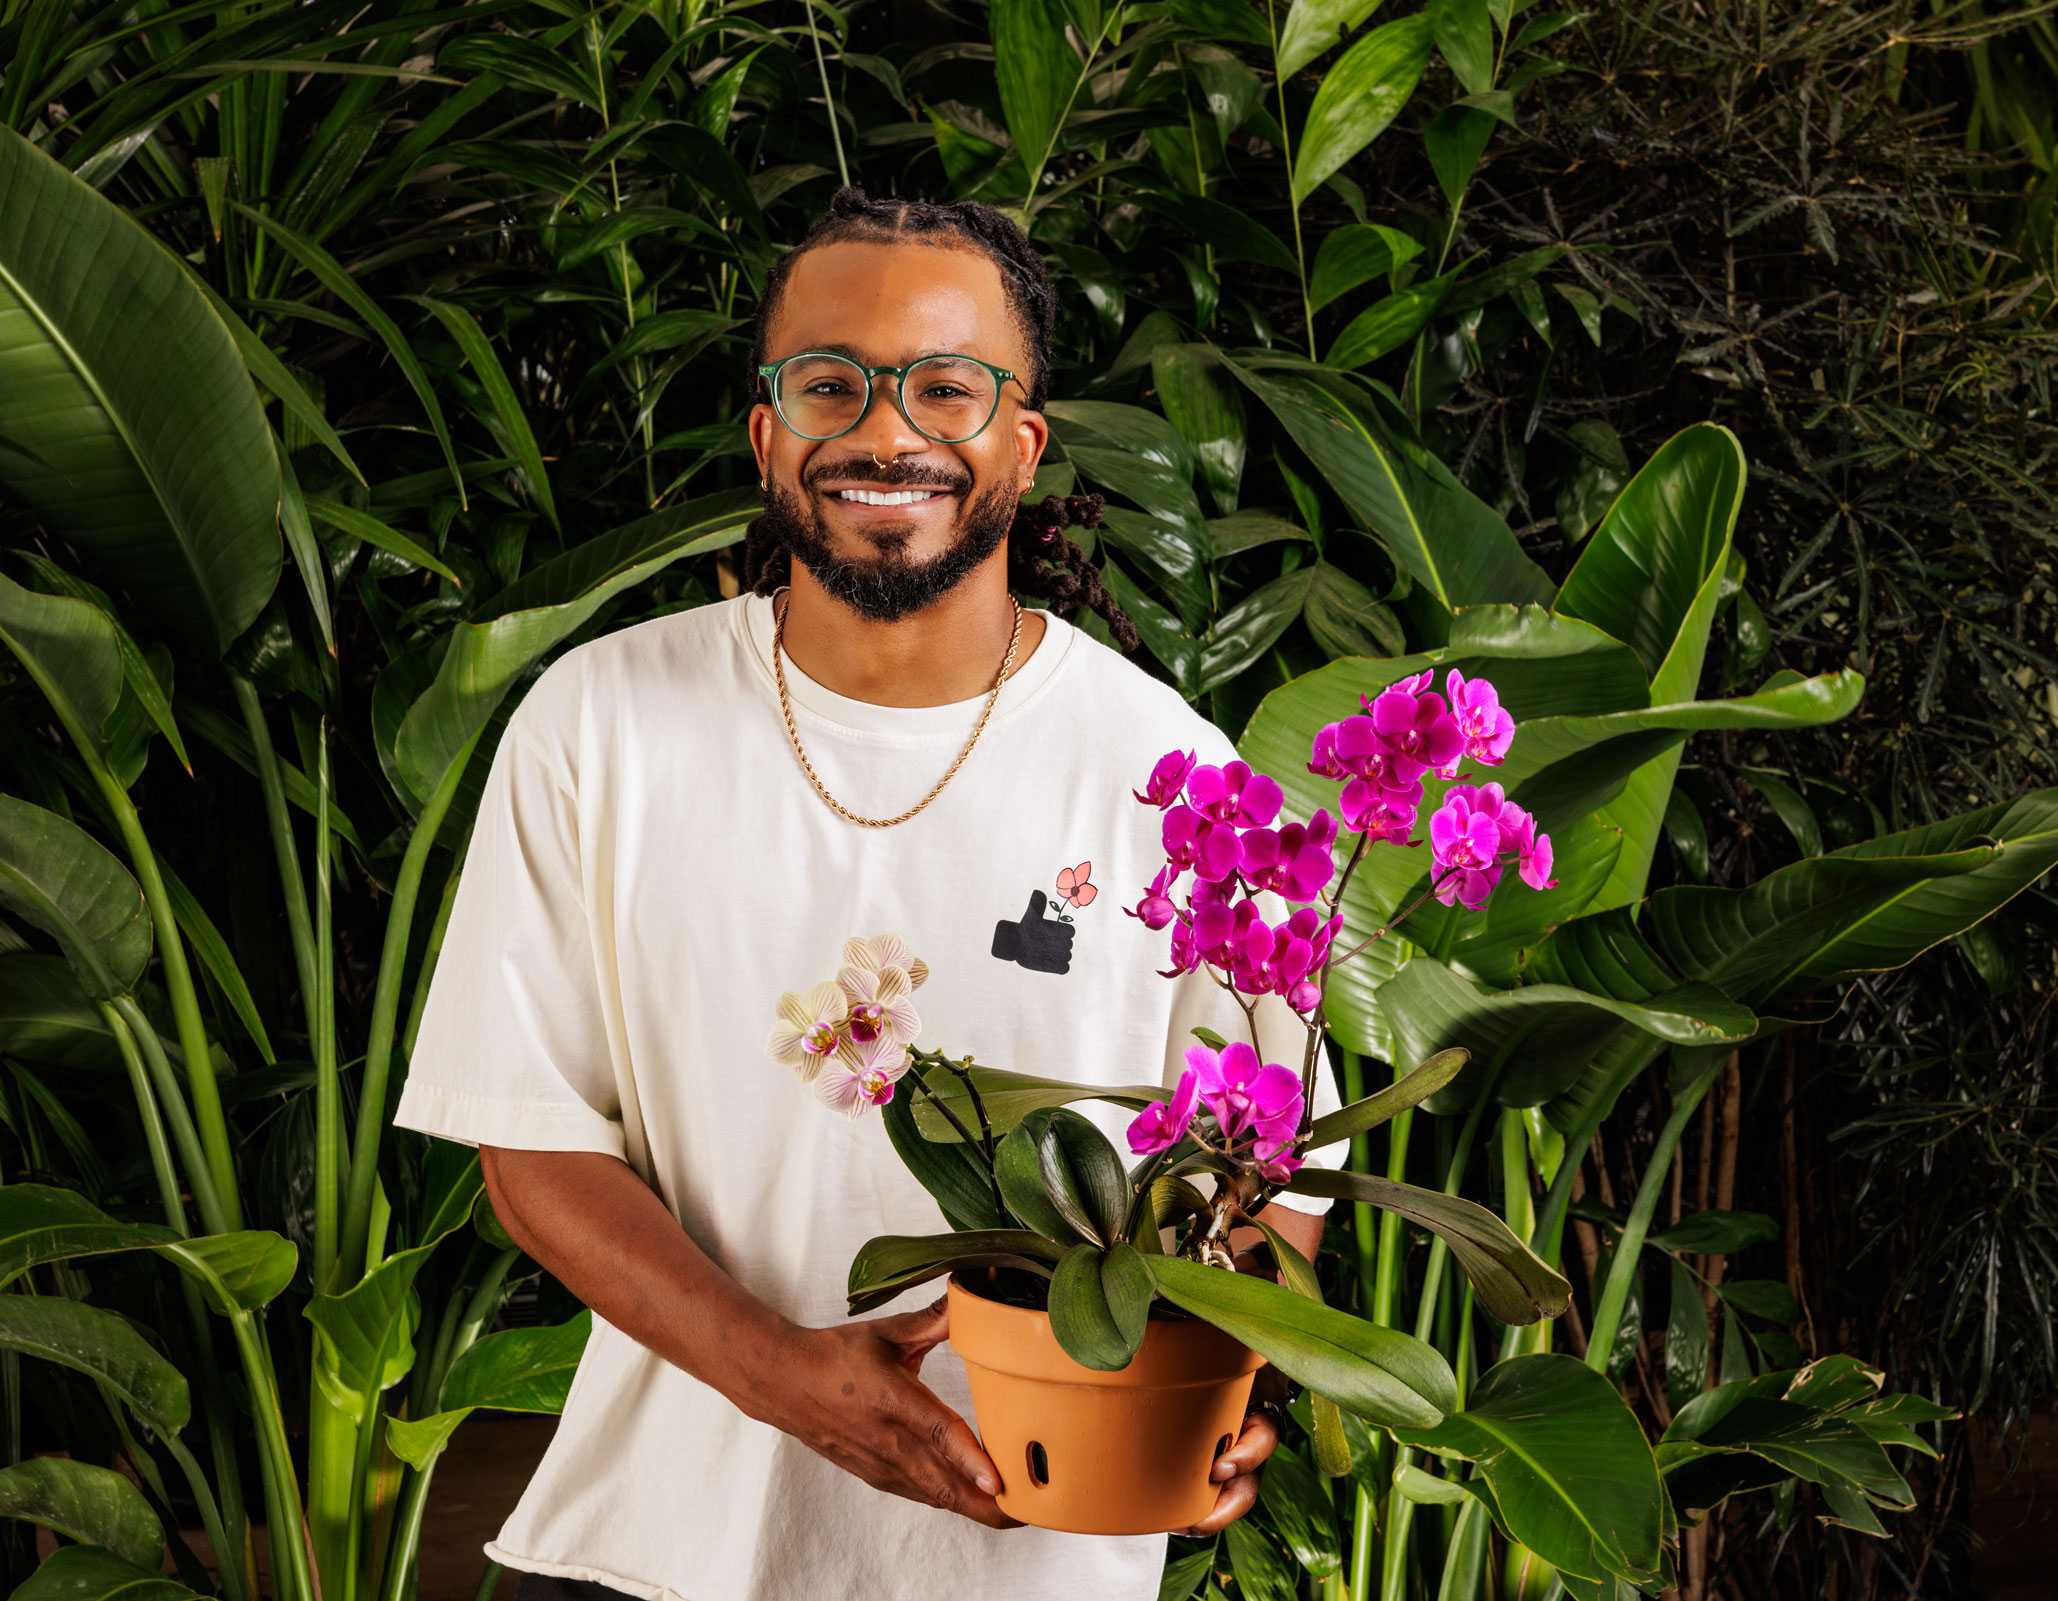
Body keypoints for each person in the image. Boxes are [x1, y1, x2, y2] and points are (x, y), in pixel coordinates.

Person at [389, 187, 1352, 1601]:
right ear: (770, 430)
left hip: (1037, 1550)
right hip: (660, 1550)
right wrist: (788, 1377)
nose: (888, 431)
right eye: (832, 381)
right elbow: (530, 1146)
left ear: (1022, 443)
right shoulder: (600, 722)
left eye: (946, 386)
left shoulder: (1174, 780)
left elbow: (1270, 1176)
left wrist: (1212, 1402)